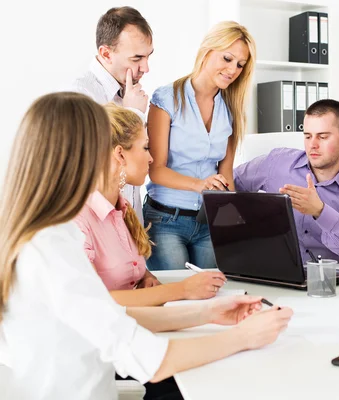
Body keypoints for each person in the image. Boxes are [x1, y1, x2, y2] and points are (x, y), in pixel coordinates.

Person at [0, 92, 293, 399]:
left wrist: (209, 312)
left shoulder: (44, 235)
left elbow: (112, 316)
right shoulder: (50, 248)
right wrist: (243, 337)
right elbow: (150, 359)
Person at [75, 104, 228, 306]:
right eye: (146, 147)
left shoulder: (122, 209)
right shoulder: (77, 219)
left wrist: (145, 277)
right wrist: (182, 289)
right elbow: (93, 302)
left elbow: (125, 268)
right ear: (120, 154)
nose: (151, 158)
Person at [145, 21, 256, 270]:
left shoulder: (230, 109)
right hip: (165, 220)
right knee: (178, 299)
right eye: (227, 59)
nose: (232, 70)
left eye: (240, 64)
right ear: (207, 51)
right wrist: (200, 185)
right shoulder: (166, 98)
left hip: (208, 222)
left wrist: (235, 224)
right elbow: (156, 169)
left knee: (212, 297)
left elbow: (225, 174)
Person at [234, 99, 339, 265]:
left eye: (323, 137)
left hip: (328, 280)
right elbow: (227, 186)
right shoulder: (277, 163)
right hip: (272, 271)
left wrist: (321, 212)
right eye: (308, 136)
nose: (313, 145)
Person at [73, 6, 153, 222]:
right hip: (100, 230)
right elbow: (100, 166)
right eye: (137, 59)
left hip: (132, 227)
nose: (146, 68)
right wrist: (133, 114)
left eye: (148, 56)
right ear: (106, 54)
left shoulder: (130, 93)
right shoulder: (81, 97)